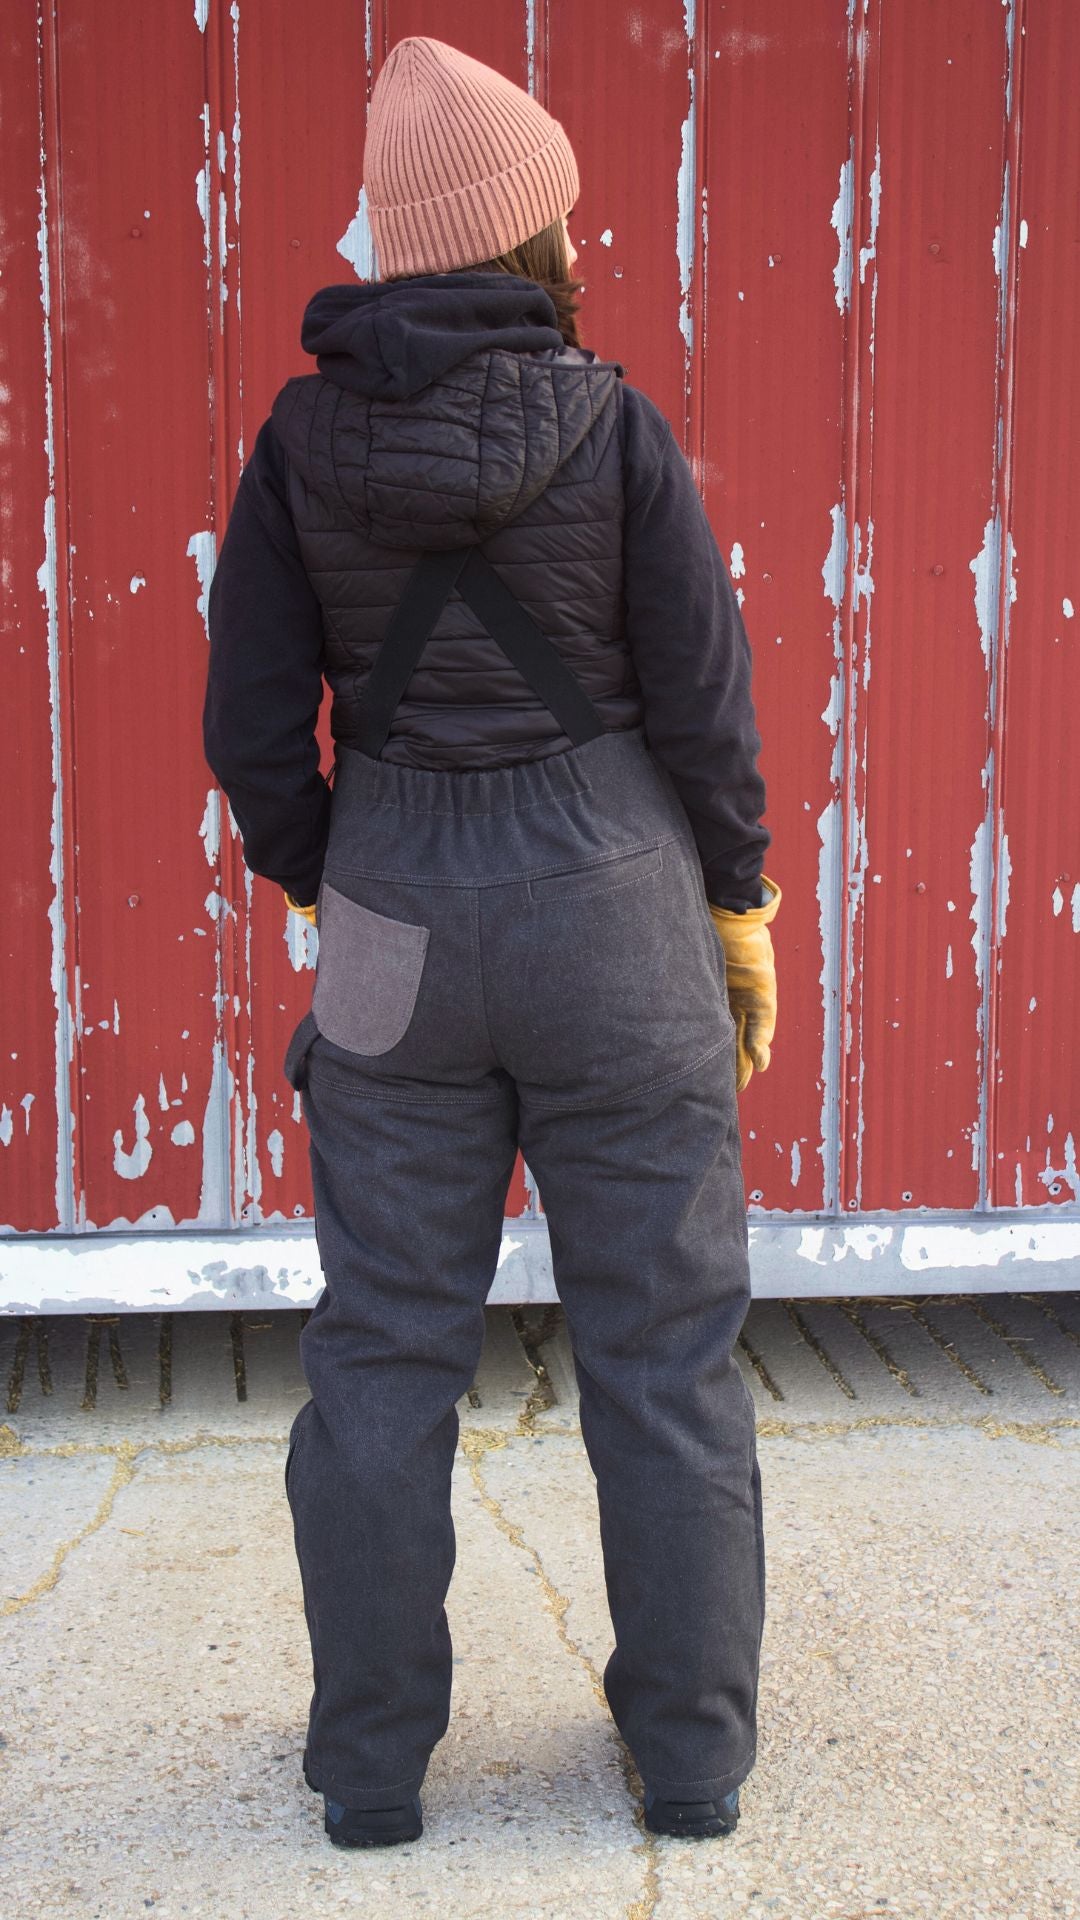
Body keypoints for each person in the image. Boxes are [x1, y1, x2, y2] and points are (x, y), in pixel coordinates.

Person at [202, 33, 780, 1852]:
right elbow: (703, 704)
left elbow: (249, 724)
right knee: (664, 1351)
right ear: (530, 233)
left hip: (392, 911)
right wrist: (740, 907)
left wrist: (329, 875)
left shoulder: (298, 442)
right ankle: (689, 1763)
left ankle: (371, 1772)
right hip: (614, 910)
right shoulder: (614, 426)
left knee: (383, 1347)